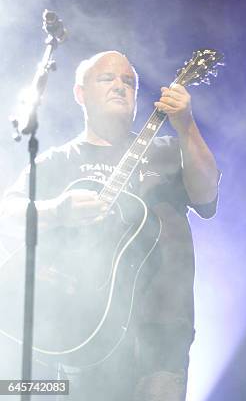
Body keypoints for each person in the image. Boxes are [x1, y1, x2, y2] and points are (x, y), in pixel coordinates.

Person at [0, 51, 219, 400]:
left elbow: (206, 193)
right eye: (107, 79)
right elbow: (7, 213)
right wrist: (57, 211)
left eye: (129, 82)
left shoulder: (167, 149)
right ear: (80, 93)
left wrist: (186, 125)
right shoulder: (59, 160)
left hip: (160, 330)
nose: (120, 86)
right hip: (82, 330)